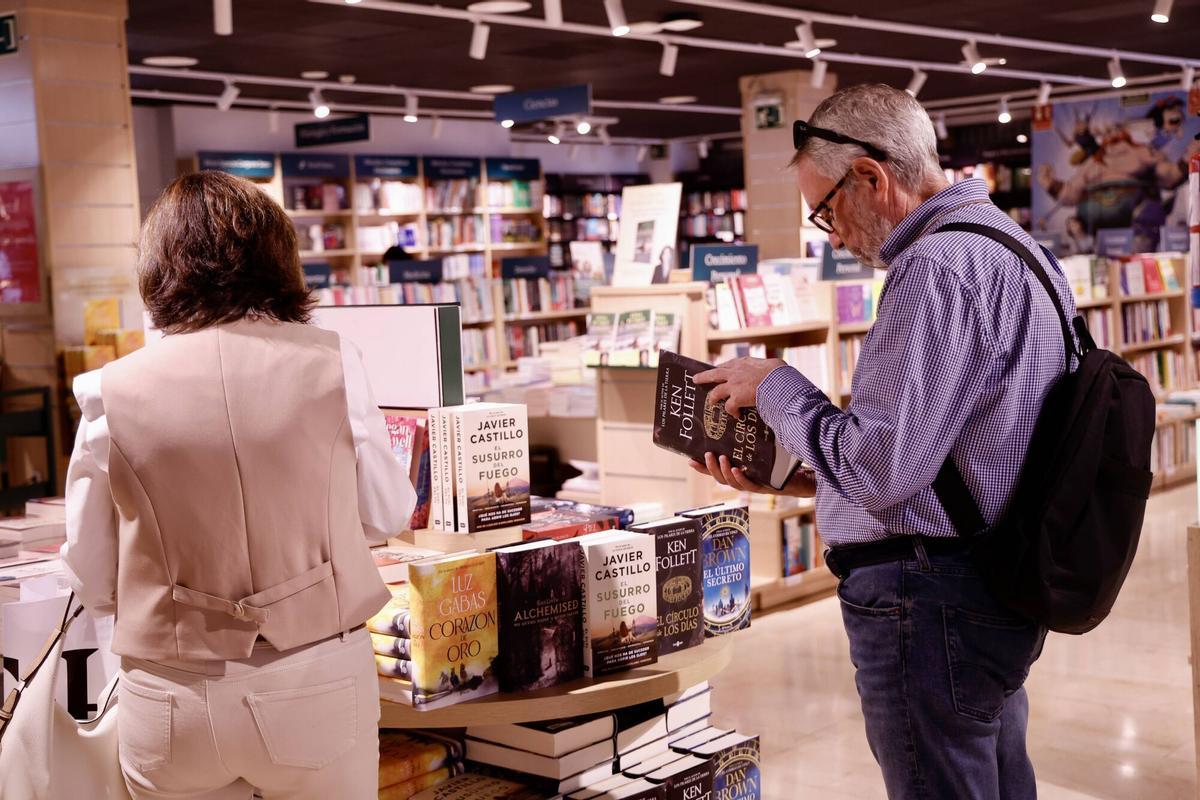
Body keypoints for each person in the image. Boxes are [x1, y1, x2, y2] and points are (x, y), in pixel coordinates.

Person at [690, 84, 1072, 799]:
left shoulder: (934, 269)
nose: (830, 233)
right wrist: (806, 478)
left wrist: (777, 384)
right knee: (993, 776)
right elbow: (954, 450)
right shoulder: (1013, 248)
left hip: (930, 599)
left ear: (871, 176)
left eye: (826, 209)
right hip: (993, 577)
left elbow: (884, 468)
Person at [62, 171, 415, 799]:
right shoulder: (333, 362)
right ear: (278, 255)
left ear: (158, 268)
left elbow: (93, 574)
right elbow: (385, 512)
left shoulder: (108, 391)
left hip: (169, 693)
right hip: (314, 672)